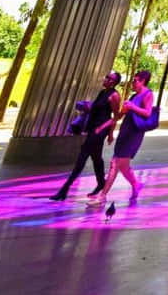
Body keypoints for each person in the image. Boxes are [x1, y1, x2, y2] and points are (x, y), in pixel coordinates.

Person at [51, 71, 120, 201]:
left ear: (114, 82)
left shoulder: (114, 95)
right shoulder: (102, 93)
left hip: (100, 130)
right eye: (106, 76)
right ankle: (101, 183)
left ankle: (64, 190)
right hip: (93, 128)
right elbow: (95, 109)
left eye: (109, 78)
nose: (106, 79)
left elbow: (115, 117)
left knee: (82, 157)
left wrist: (109, 133)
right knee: (96, 158)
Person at [94, 69, 154, 204]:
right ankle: (136, 185)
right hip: (125, 132)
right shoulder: (133, 96)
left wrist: (133, 107)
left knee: (114, 164)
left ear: (143, 81)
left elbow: (148, 113)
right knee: (123, 166)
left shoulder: (148, 94)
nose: (133, 82)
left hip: (134, 134)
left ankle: (102, 196)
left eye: (135, 80)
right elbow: (120, 115)